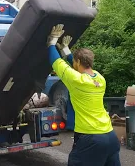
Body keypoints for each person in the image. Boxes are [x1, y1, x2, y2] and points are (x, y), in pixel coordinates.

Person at [46, 24, 121, 166]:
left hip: (91, 139)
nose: (73, 63)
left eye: (75, 61)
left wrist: (51, 43)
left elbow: (56, 62)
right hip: (110, 137)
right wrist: (67, 50)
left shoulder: (77, 81)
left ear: (79, 62)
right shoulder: (100, 78)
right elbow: (77, 69)